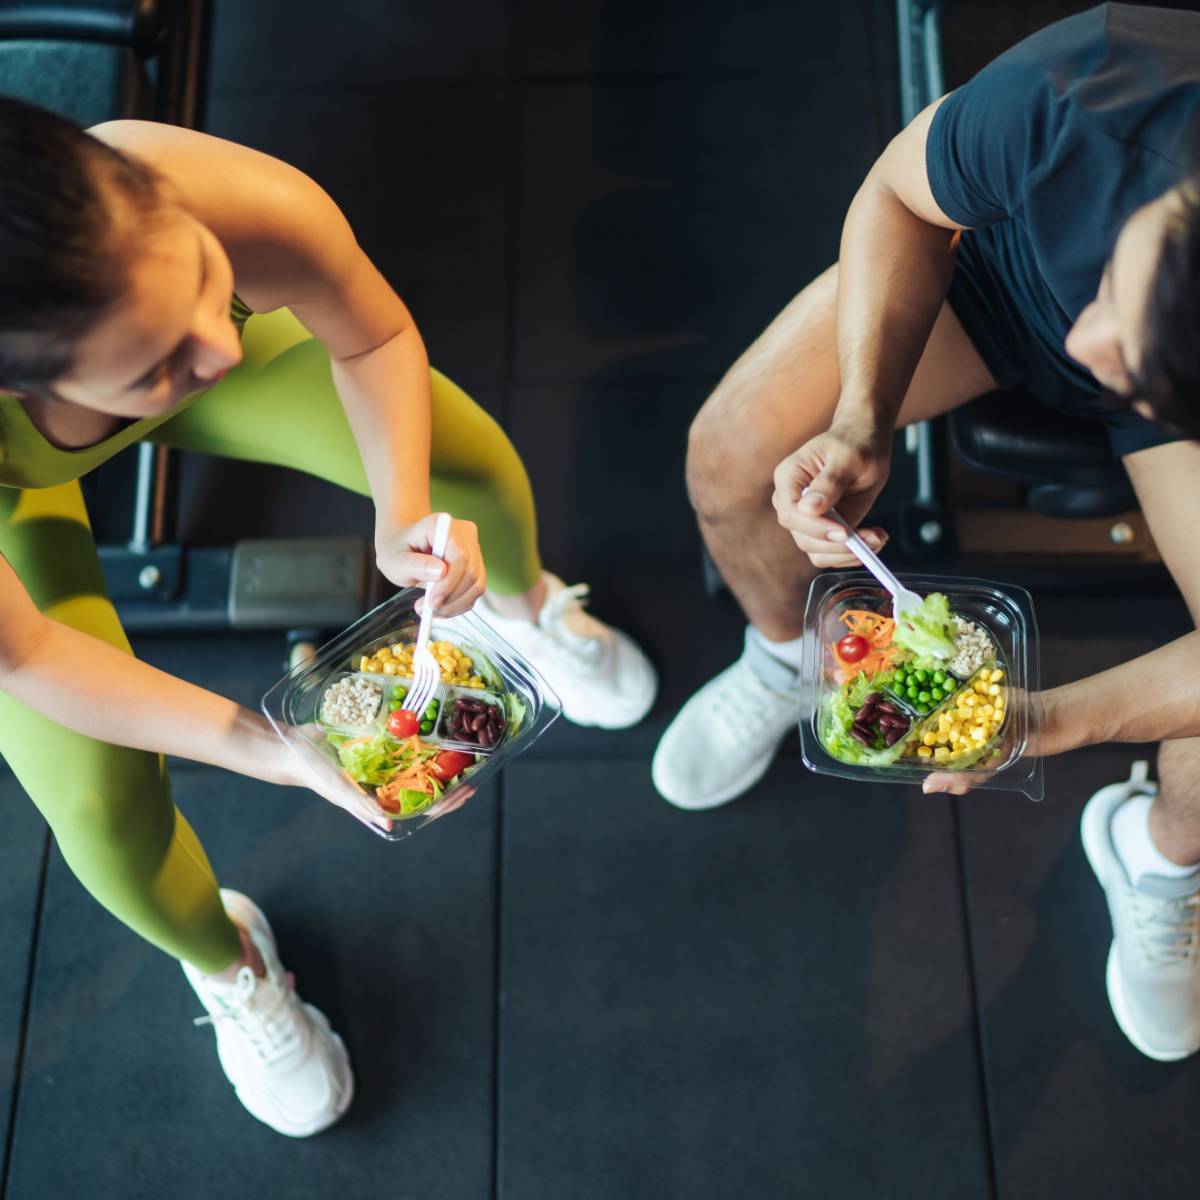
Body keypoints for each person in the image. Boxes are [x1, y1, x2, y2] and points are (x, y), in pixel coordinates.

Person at [0, 97, 657, 1136]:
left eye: (213, 290)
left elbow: (375, 331)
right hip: (12, 490)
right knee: (101, 811)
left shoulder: (218, 202)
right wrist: (278, 749)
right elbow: (28, 655)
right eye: (156, 361)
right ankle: (233, 964)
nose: (218, 349)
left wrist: (402, 519)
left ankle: (527, 609)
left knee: (462, 459)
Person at [653, 3, 1200, 1060]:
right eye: (1120, 293)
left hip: (1174, 421)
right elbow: (899, 199)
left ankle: (1161, 854)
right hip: (1009, 275)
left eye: (1127, 349)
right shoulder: (1090, 92)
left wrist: (1052, 722)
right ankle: (785, 658)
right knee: (730, 451)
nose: (1094, 347)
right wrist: (863, 414)